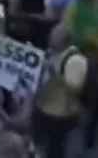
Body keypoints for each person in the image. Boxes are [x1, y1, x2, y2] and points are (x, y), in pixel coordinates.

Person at [33, 24, 87, 158]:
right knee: (39, 147)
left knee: (55, 150)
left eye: (54, 36)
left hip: (61, 117)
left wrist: (56, 76)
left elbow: (75, 89)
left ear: (64, 40)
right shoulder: (51, 53)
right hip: (44, 109)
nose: (50, 38)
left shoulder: (75, 60)